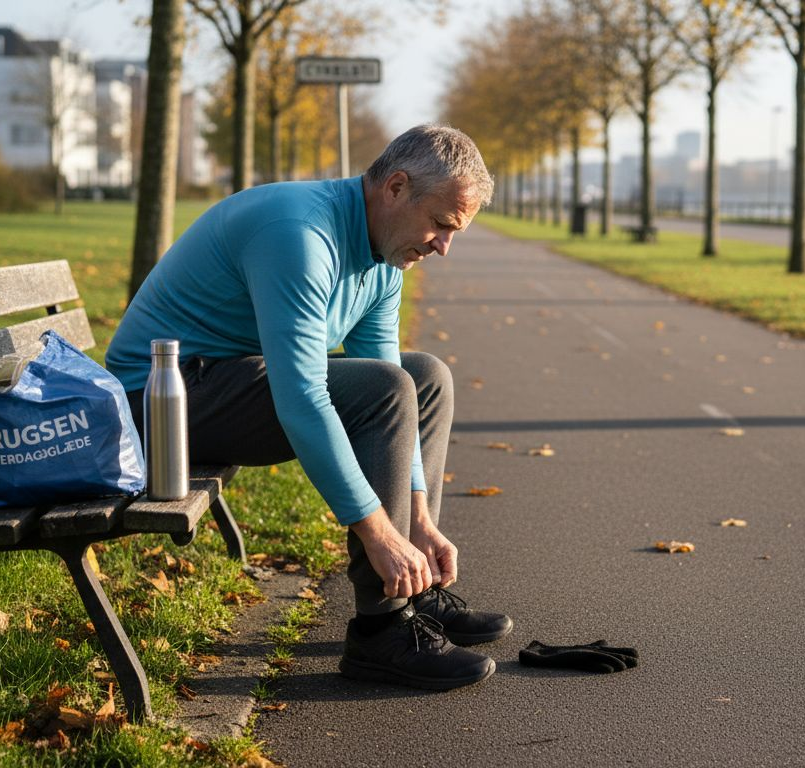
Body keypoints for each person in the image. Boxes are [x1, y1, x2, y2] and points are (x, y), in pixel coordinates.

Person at [106, 124, 510, 690]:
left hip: (231, 379)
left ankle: (414, 591)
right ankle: (382, 629)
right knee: (386, 394)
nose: (443, 246)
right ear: (396, 187)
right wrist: (378, 534)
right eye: (441, 225)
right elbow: (302, 397)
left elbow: (390, 373)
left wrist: (416, 523)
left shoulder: (385, 255)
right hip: (158, 400)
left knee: (425, 377)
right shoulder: (299, 232)